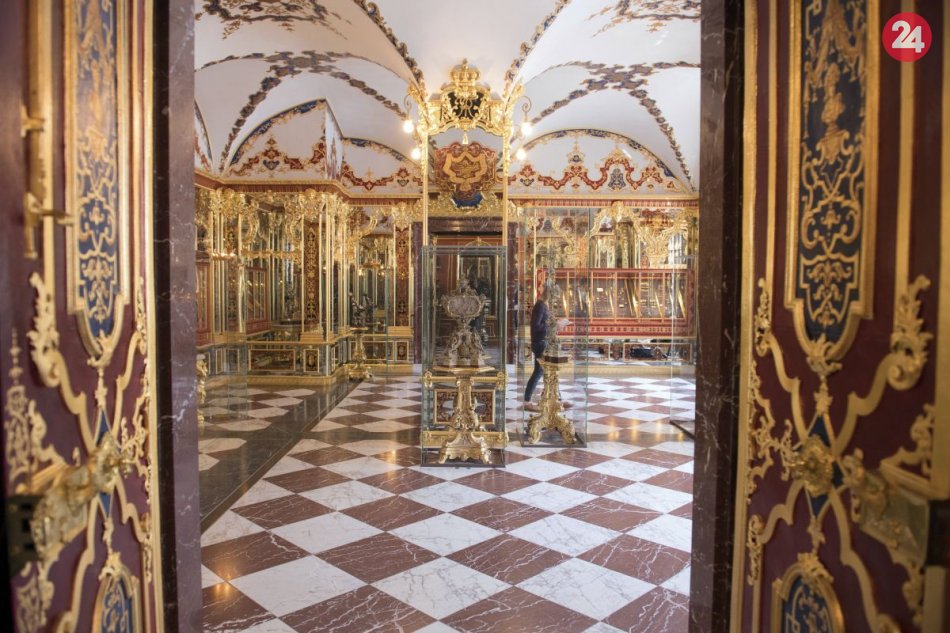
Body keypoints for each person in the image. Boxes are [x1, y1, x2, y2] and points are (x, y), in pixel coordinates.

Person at [524, 289, 549, 406]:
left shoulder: (542, 305)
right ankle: (527, 399)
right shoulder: (540, 306)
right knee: (539, 371)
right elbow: (536, 326)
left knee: (548, 371)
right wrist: (551, 326)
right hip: (540, 342)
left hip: (542, 341)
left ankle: (557, 398)